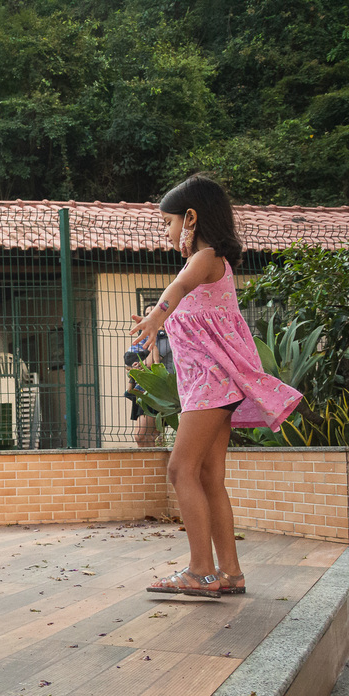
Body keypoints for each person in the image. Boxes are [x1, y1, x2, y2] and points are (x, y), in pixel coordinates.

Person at [132, 174, 302, 599]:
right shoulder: (210, 262)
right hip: (212, 387)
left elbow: (178, 287)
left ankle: (200, 571)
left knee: (179, 469)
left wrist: (156, 316)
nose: (166, 232)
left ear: (191, 218)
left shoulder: (205, 259)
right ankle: (230, 572)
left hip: (210, 387)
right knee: (209, 475)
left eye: (169, 223)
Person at [124, 306, 174, 448]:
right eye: (147, 314)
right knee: (142, 437)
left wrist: (142, 363)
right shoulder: (144, 338)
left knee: (149, 436)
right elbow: (129, 360)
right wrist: (137, 365)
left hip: (161, 390)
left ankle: (156, 469)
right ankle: (150, 469)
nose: (150, 316)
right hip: (144, 389)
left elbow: (153, 362)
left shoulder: (170, 336)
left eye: (153, 313)